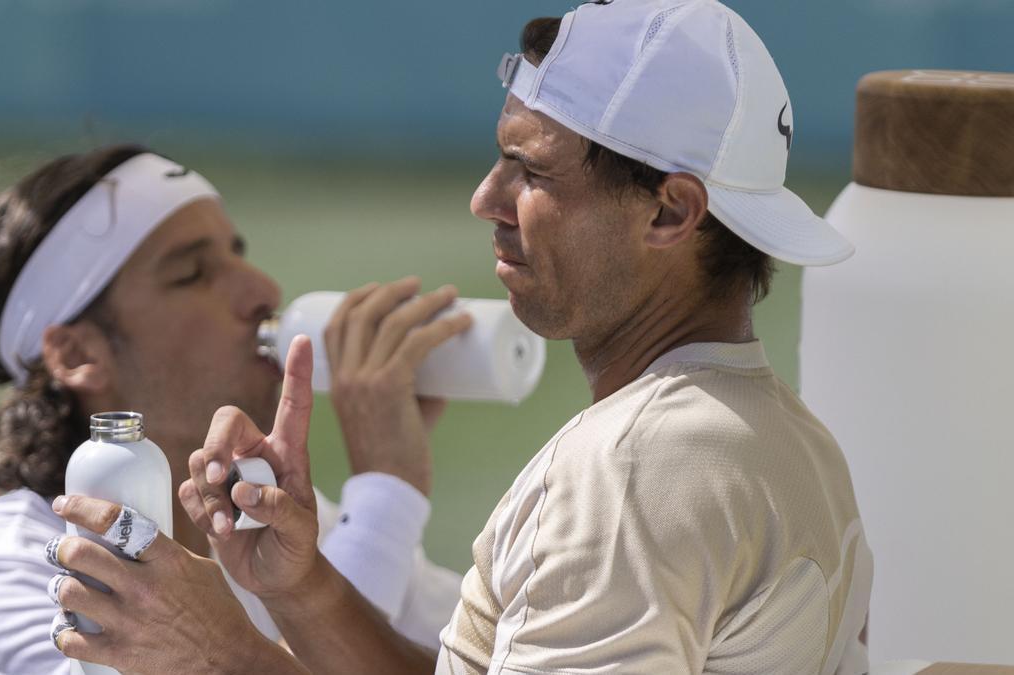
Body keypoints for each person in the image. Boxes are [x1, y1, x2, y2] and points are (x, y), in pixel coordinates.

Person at [45, 1, 873, 673]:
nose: (487, 196)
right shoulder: (788, 440)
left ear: (670, 211)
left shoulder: (631, 467)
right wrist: (306, 589)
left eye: (534, 170)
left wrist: (222, 655)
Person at [0, 145, 468, 674]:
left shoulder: (290, 538)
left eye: (238, 253)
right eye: (192, 273)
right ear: (78, 352)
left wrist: (357, 540)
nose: (262, 288)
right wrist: (387, 494)